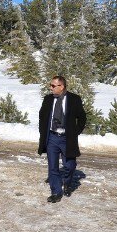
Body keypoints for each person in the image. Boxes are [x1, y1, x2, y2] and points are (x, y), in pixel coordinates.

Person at [38, 75, 87, 203]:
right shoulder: (48, 99)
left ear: (62, 86)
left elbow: (82, 118)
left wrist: (75, 132)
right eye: (51, 85)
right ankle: (56, 192)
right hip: (52, 137)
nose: (51, 88)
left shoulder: (74, 99)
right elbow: (42, 116)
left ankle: (67, 182)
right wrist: (43, 132)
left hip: (67, 138)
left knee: (70, 165)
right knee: (52, 167)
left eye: (53, 86)